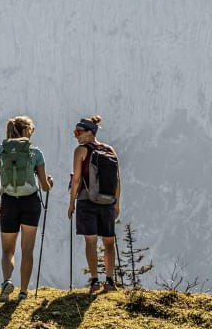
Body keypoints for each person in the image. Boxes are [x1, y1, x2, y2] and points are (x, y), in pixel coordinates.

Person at [0, 116, 54, 301]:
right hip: (31, 203)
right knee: (27, 250)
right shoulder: (35, 153)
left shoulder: (0, 151)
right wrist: (50, 183)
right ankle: (24, 293)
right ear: (26, 131)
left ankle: (7, 281)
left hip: (9, 202)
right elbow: (44, 186)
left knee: (8, 250)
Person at [67, 115, 121, 292]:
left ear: (90, 132)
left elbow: (76, 179)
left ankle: (95, 281)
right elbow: (117, 180)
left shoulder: (81, 150)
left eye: (78, 132)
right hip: (107, 201)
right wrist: (116, 204)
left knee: (90, 242)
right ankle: (110, 281)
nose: (76, 136)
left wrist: (71, 203)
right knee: (108, 242)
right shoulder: (110, 150)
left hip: (86, 200)